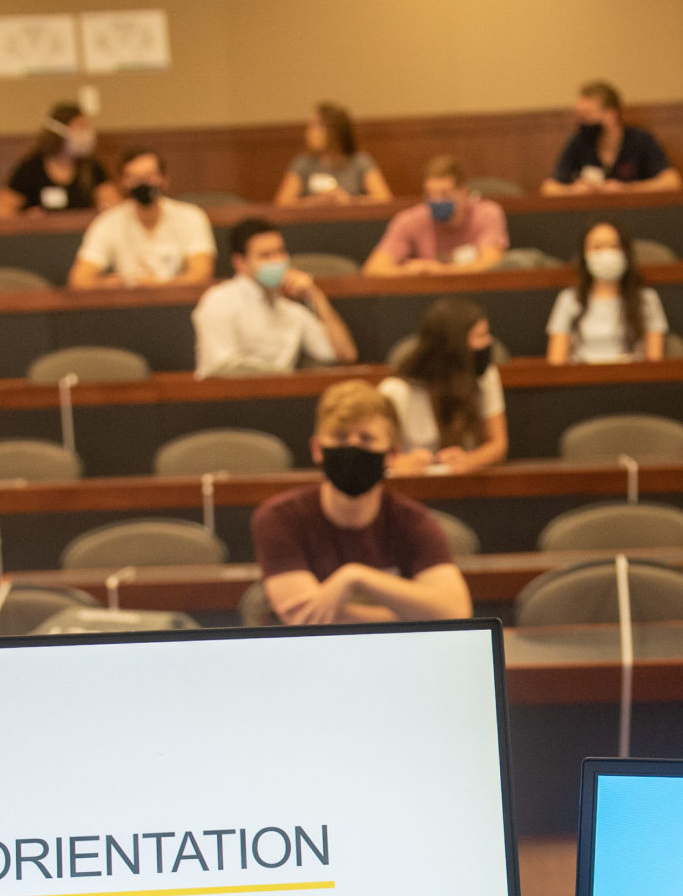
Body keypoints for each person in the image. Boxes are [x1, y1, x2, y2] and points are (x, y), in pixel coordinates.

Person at [254, 380, 472, 625]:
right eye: (340, 437)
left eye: (367, 439)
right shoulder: (280, 517)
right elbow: (304, 618)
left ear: (392, 454)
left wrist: (355, 576)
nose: (353, 448)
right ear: (317, 449)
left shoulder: (414, 522)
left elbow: (455, 611)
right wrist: (410, 617)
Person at [192, 219, 357, 378]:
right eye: (265, 256)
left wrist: (316, 295)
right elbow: (222, 369)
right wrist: (283, 377)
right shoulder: (218, 301)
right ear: (240, 262)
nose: (277, 261)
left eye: (280, 252)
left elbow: (344, 356)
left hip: (281, 401)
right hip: (227, 402)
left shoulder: (291, 311)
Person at [381, 298, 507, 473]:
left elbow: (498, 445)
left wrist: (471, 460)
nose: (488, 343)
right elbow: (375, 453)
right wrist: (400, 462)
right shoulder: (397, 390)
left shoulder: (486, 376)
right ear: (454, 345)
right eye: (480, 336)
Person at [67, 150, 216, 287]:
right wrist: (113, 283)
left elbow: (201, 274)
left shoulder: (190, 217)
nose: (143, 184)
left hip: (179, 304)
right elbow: (79, 280)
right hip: (126, 306)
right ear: (124, 182)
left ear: (164, 179)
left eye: (150, 176)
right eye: (135, 178)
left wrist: (159, 285)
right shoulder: (108, 222)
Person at [546, 222, 668, 364]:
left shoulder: (647, 299)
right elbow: (556, 362)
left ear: (626, 252)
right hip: (581, 380)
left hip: (633, 380)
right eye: (597, 247)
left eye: (614, 246)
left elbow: (655, 362)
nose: (606, 254)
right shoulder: (568, 299)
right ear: (584, 254)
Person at [364, 157, 508, 276]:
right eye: (431, 194)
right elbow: (373, 268)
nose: (437, 201)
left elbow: (492, 263)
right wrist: (408, 271)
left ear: (463, 192)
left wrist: (442, 271)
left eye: (445, 194)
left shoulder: (487, 213)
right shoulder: (409, 220)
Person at [543, 81, 681, 194]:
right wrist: (572, 191)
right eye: (579, 116)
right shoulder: (579, 142)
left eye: (587, 116)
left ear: (610, 115)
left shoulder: (640, 140)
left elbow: (672, 181)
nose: (581, 122)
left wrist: (628, 189)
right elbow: (549, 187)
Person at [0, 101, 114, 216]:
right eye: (80, 127)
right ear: (58, 131)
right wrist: (25, 217)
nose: (86, 134)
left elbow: (114, 203)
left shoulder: (91, 167)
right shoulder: (31, 169)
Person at [274, 102, 390, 206]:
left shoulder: (360, 161)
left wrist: (349, 201)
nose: (309, 132)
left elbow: (384, 199)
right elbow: (282, 204)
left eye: (316, 126)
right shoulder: (303, 163)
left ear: (335, 130)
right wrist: (318, 201)